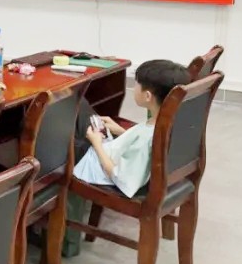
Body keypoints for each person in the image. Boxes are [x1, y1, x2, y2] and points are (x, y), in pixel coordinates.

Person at [73, 60, 191, 197]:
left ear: (147, 96)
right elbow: (146, 148)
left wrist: (96, 143)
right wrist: (122, 132)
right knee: (78, 102)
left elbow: (120, 178)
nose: (134, 88)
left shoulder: (147, 137)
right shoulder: (165, 123)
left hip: (96, 166)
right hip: (109, 152)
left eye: (136, 84)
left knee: (73, 105)